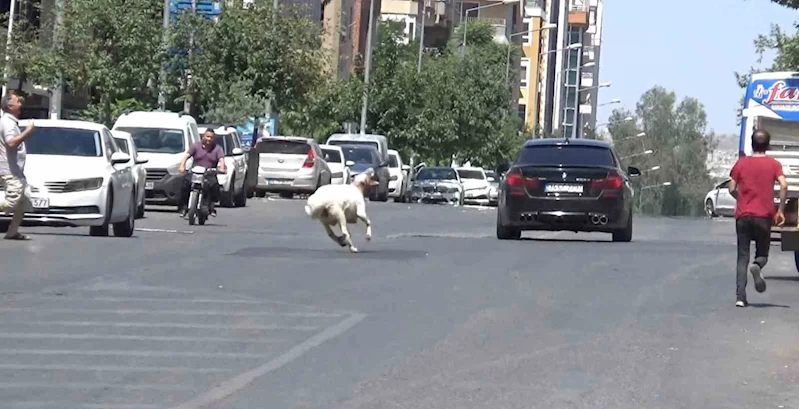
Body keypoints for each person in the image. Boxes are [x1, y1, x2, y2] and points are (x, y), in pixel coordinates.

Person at [729, 129, 788, 307]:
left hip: (743, 216)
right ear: (767, 145)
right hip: (764, 216)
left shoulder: (741, 164)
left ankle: (740, 297)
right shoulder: (774, 164)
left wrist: (742, 200)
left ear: (752, 144)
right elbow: (784, 185)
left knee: (742, 256)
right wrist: (781, 211)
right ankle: (757, 265)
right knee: (762, 253)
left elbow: (732, 187)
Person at [0, 92, 35, 240]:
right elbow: (11, 143)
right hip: (10, 170)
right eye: (16, 101)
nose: (20, 102)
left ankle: (12, 232)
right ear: (9, 106)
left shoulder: (10, 122)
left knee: (23, 202)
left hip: (16, 170)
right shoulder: (7, 123)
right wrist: (28, 131)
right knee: (11, 202)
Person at [177, 129, 226, 218]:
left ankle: (211, 206)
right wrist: (182, 166)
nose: (209, 139)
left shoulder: (217, 149)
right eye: (207, 136)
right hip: (195, 172)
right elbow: (186, 156)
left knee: (214, 186)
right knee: (185, 184)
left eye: (211, 137)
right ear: (203, 137)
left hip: (209, 173)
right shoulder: (196, 146)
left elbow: (221, 160)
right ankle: (183, 208)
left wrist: (222, 168)